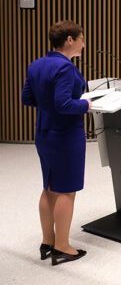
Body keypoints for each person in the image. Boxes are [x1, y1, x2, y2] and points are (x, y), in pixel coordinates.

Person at [21, 20, 91, 265]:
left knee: (49, 187)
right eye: (82, 39)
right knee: (66, 190)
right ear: (69, 40)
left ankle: (47, 241)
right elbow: (64, 104)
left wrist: (47, 107)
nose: (84, 44)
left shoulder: (37, 65)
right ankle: (62, 246)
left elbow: (27, 98)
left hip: (43, 134)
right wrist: (86, 104)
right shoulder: (65, 68)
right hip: (66, 136)